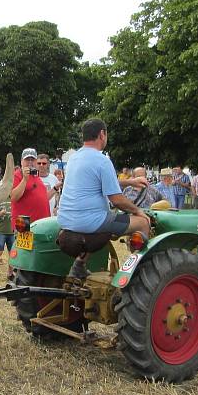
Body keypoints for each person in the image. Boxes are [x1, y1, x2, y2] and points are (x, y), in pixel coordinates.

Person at [58, 119, 151, 278]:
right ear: (102, 134)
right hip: (90, 221)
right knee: (143, 223)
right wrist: (138, 211)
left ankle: (78, 266)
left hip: (66, 220)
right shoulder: (102, 160)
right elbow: (116, 200)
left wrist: (130, 182)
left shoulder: (74, 159)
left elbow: (98, 182)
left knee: (103, 219)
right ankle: (138, 273)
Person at [11, 148, 51, 224]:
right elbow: (13, 197)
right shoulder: (17, 175)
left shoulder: (36, 175)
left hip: (40, 222)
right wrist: (25, 179)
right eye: (27, 159)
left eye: (32, 160)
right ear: (21, 161)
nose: (30, 162)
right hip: (23, 221)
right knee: (24, 236)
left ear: (36, 161)